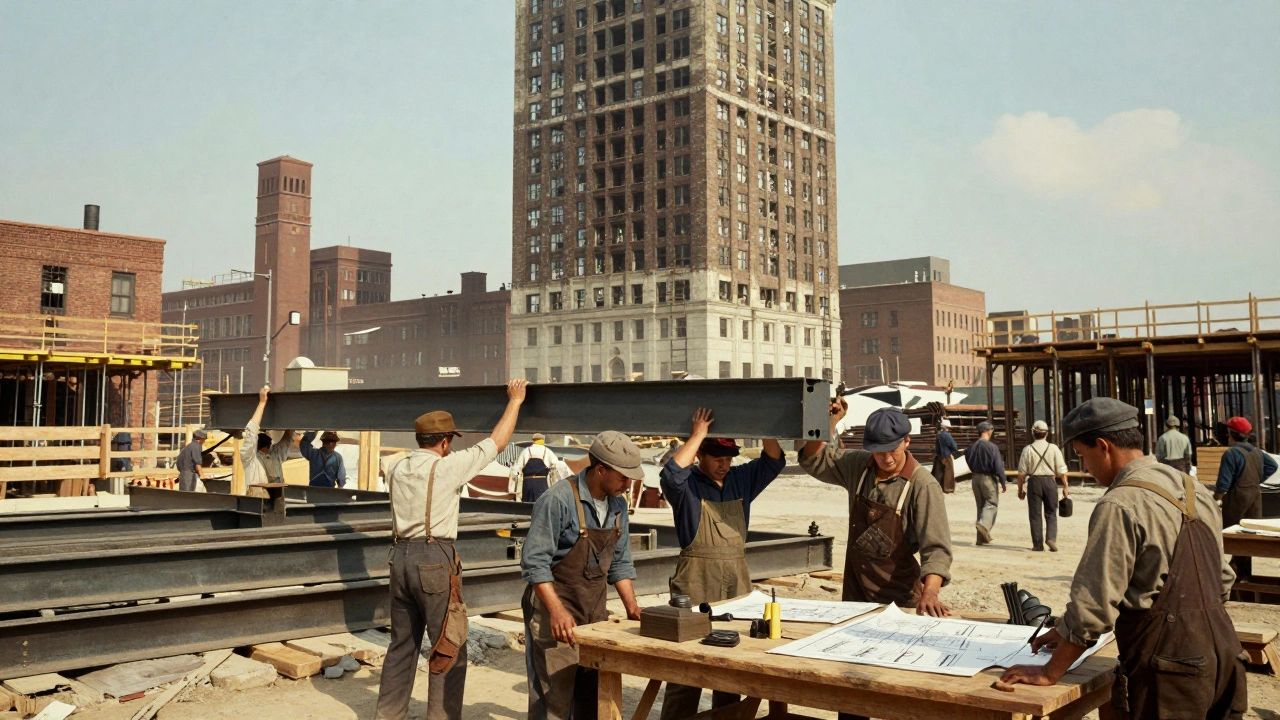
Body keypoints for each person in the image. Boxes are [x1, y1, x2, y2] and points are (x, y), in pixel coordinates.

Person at [1000, 397, 1246, 719]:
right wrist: (1064, 630)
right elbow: (1223, 580)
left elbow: (1094, 607)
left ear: (1103, 446)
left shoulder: (1119, 503)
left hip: (1169, 671)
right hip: (1226, 657)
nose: (1084, 468)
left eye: (1082, 456)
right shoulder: (1193, 488)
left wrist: (1049, 672)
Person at [374, 379, 527, 720]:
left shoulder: (395, 466)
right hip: (434, 558)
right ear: (444, 442)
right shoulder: (448, 467)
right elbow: (497, 442)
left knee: (401, 646)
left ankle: (388, 715)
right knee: (448, 642)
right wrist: (515, 401)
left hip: (398, 558)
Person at [800, 402, 953, 720]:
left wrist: (930, 591)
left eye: (891, 450)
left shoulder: (923, 486)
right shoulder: (859, 465)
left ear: (907, 441)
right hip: (855, 596)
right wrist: (825, 421)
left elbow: (936, 549)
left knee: (897, 690)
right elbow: (814, 459)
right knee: (851, 686)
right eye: (878, 451)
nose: (885, 458)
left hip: (899, 599)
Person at [659, 408, 785, 719]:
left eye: (728, 458)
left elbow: (774, 461)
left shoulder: (740, 479)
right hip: (695, 584)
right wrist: (698, 434)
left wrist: (764, 425)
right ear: (700, 454)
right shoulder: (686, 485)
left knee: (731, 668)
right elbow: (670, 474)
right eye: (716, 457)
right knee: (686, 670)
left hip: (736, 586)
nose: (723, 465)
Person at [521, 431, 643, 720]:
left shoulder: (618, 506)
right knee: (554, 701)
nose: (629, 485)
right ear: (600, 469)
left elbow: (620, 563)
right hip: (556, 614)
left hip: (594, 617)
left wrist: (632, 607)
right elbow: (535, 564)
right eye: (624, 477)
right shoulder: (558, 500)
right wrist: (557, 613)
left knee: (593, 699)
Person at [1215, 416, 1277, 580]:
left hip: (1237, 499)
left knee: (1233, 536)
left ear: (1230, 433)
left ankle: (1236, 575)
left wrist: (1216, 500)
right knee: (1247, 536)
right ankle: (1244, 574)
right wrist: (1256, 479)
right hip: (1255, 498)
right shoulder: (1257, 451)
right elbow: (1273, 466)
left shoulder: (1231, 453)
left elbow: (1223, 483)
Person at [1015, 420, 1069, 552]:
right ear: (1046, 434)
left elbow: (1021, 474)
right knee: (1051, 512)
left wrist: (1020, 490)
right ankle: (1051, 538)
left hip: (1034, 482)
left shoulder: (1027, 449)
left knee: (1035, 514)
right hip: (1050, 482)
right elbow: (1062, 471)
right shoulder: (1054, 448)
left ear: (1033, 433)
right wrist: (1065, 487)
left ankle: (1037, 544)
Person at [239, 386, 295, 486]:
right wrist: (262, 403)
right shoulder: (250, 459)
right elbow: (251, 432)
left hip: (275, 500)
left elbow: (288, 438)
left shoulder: (274, 455)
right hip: (258, 499)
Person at [965, 421, 1007, 545]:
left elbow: (967, 460)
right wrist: (1003, 481)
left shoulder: (971, 447)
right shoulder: (991, 447)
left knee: (981, 506)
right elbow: (998, 466)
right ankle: (984, 525)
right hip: (988, 478)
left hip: (975, 478)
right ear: (987, 431)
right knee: (991, 504)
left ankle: (980, 539)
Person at [511, 432, 561, 502]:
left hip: (527, 483)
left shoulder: (526, 451)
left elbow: (517, 468)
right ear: (543, 440)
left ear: (533, 440)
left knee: (527, 504)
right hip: (541, 484)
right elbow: (557, 465)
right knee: (541, 505)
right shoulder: (547, 451)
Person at [932, 418, 958, 493]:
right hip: (947, 455)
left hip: (939, 455)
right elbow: (954, 446)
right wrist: (953, 452)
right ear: (947, 427)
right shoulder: (947, 435)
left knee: (939, 473)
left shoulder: (939, 435)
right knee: (948, 473)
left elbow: (937, 447)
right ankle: (948, 488)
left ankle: (937, 487)